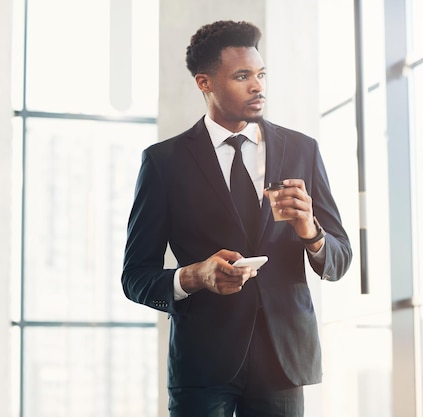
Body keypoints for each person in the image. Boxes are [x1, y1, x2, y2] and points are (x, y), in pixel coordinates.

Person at [121, 20, 352, 417]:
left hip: (283, 362)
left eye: (261, 75)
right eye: (242, 76)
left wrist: (311, 233)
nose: (257, 86)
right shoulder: (164, 163)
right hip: (202, 363)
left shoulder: (302, 150)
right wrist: (195, 276)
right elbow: (135, 277)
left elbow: (340, 259)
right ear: (204, 83)